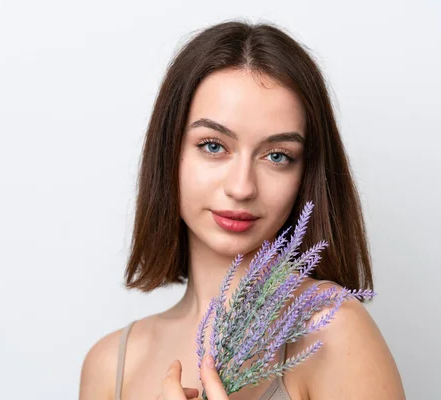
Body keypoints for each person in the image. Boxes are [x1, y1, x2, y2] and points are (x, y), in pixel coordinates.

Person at [79, 20, 406, 400]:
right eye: (214, 146)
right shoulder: (110, 365)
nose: (241, 187)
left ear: (305, 174)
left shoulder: (332, 331)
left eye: (277, 156)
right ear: (169, 152)